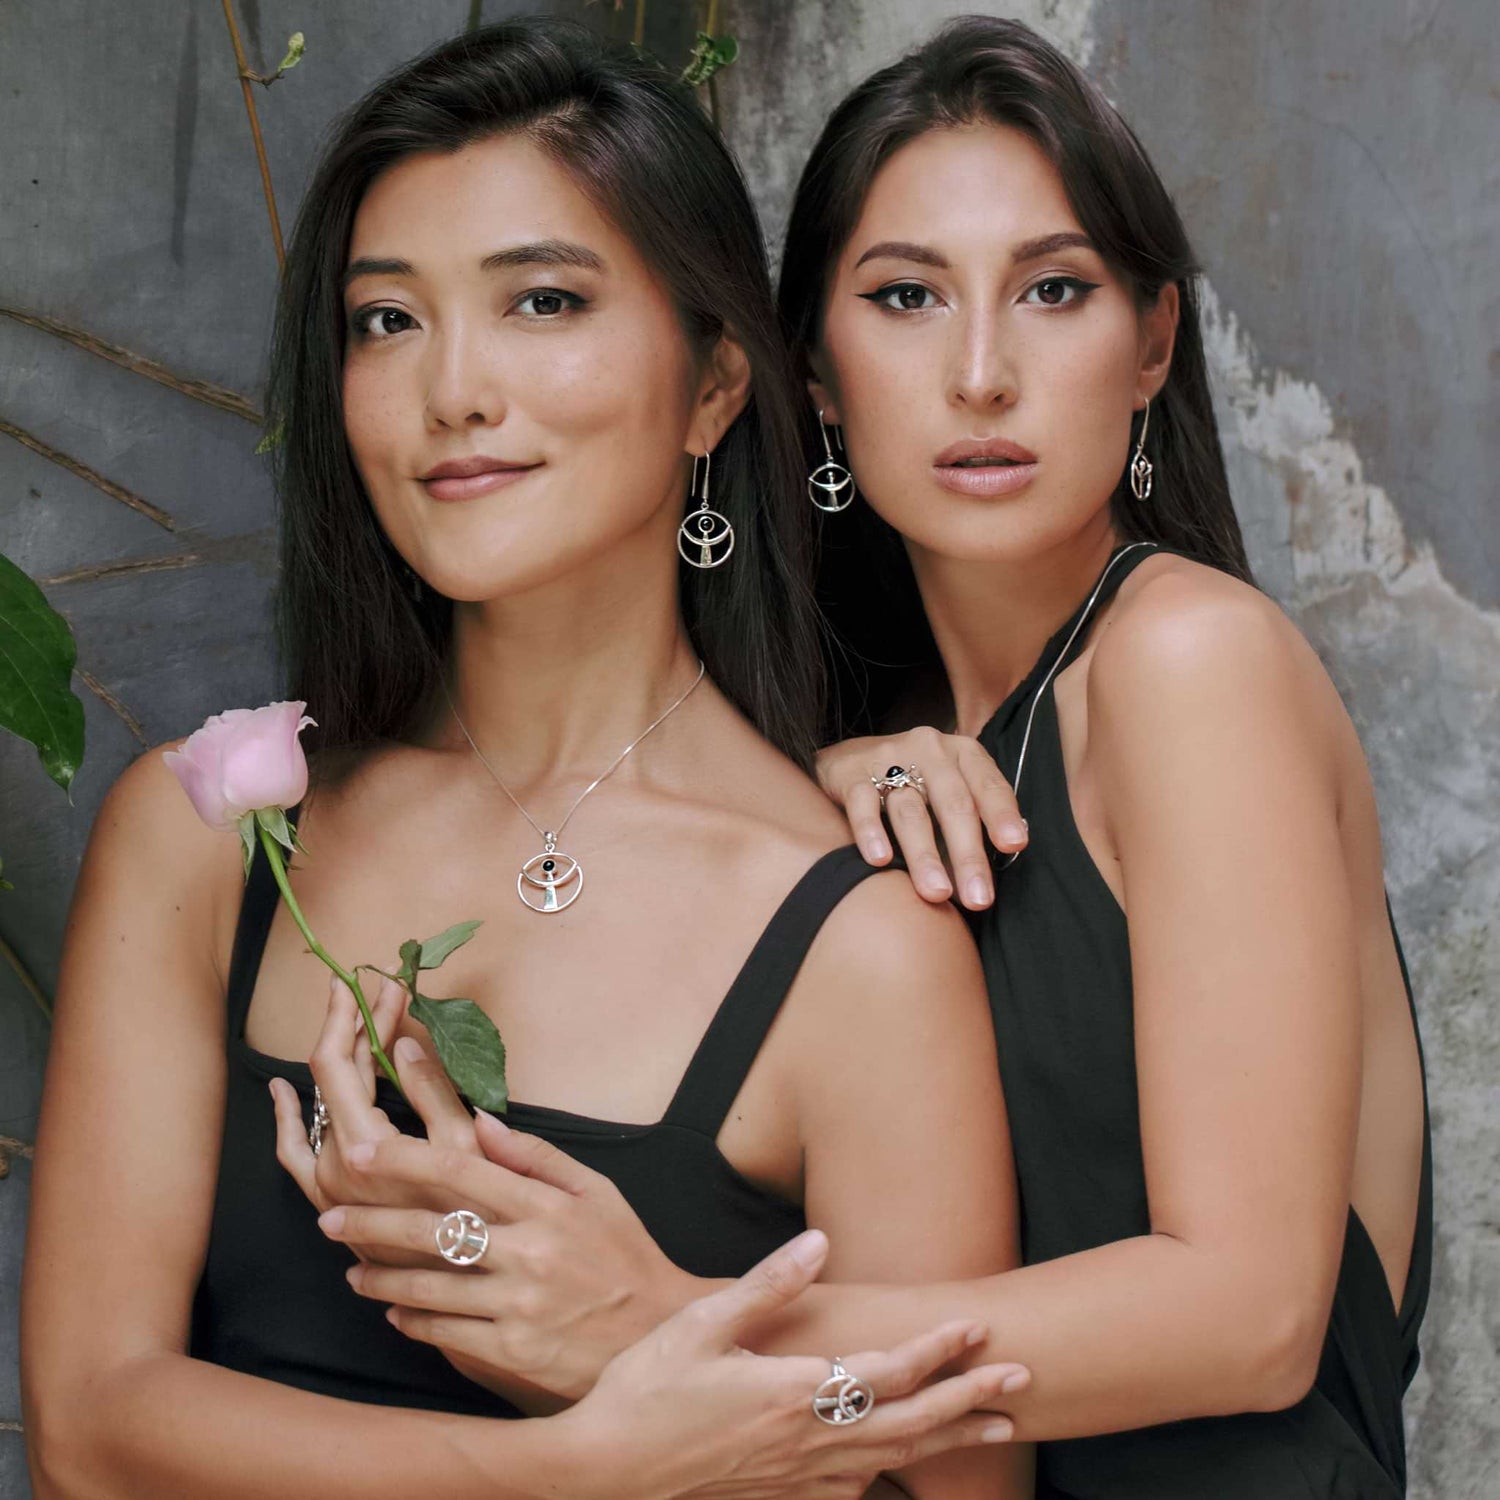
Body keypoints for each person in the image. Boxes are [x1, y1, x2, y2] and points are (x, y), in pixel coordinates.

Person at [319, 17, 1431, 1499]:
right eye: (905, 296)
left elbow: (1254, 1321)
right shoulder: (884, 740)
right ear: (816, 380)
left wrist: (672, 1332)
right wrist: (826, 774)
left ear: (1153, 344)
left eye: (1053, 290)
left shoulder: (1186, 660)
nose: (980, 373)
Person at [19, 20, 1033, 1500]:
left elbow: (950, 1490)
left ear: (713, 386)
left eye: (541, 301)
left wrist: (628, 1343)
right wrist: (584, 1465)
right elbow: (90, 1435)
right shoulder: (205, 838)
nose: (452, 393)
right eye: (387, 321)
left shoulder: (861, 945)